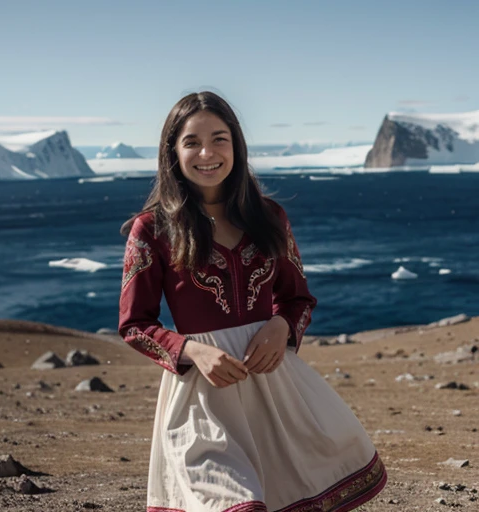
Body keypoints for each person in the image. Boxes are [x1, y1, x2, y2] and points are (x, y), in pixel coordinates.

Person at [119, 91, 387, 512]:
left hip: (277, 392)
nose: (207, 152)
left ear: (237, 145)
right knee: (233, 503)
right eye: (191, 142)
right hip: (202, 398)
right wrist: (191, 350)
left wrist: (281, 326)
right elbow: (135, 324)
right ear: (172, 151)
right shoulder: (151, 229)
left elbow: (297, 298)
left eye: (219, 138)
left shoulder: (270, 217)